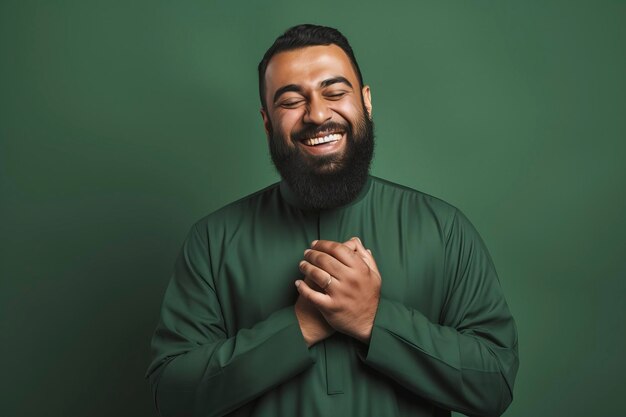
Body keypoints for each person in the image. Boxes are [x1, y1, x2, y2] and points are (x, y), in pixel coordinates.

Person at [145, 24, 519, 417]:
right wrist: (299, 328)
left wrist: (373, 320)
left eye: (335, 92)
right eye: (291, 101)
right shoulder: (212, 241)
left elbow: (494, 384)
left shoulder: (444, 230)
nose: (318, 113)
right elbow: (173, 397)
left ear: (366, 101)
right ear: (267, 122)